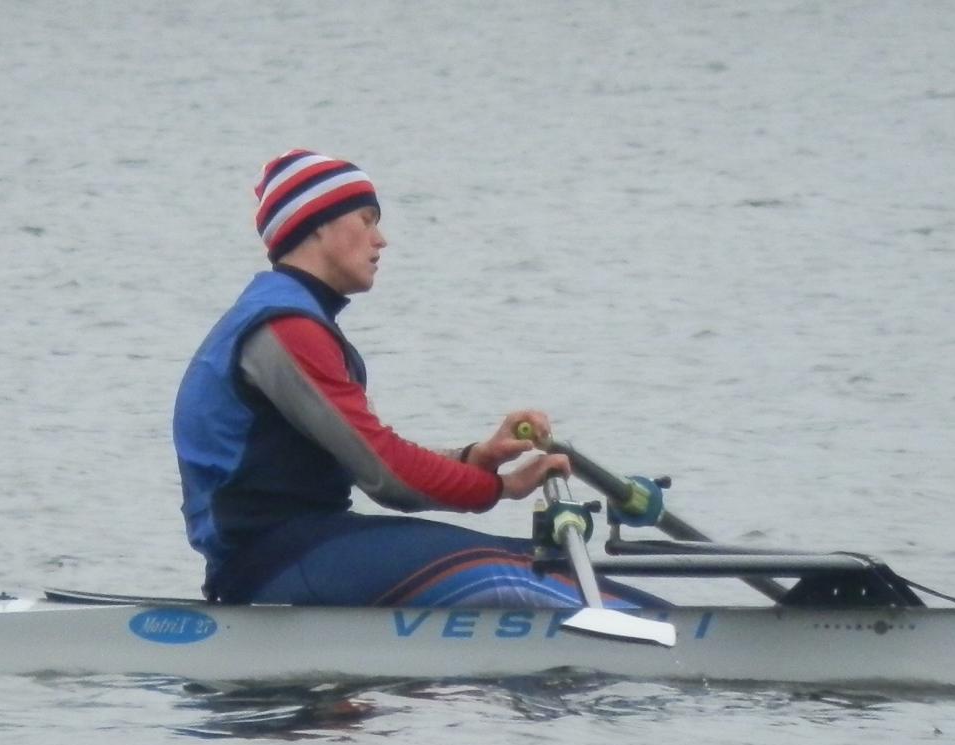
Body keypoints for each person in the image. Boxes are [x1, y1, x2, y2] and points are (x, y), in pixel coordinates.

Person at [173, 149, 663, 609]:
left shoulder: (285, 316)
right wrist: (500, 486)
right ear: (317, 224)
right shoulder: (286, 328)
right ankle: (682, 642)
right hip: (272, 561)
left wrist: (476, 458)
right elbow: (387, 474)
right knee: (520, 575)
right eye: (367, 220)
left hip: (303, 546)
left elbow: (369, 453)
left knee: (533, 563)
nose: (380, 240)